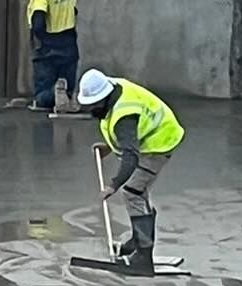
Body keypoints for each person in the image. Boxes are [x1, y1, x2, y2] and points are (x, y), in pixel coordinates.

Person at [76, 70, 185, 275]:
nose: (91, 109)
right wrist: (110, 146)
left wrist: (113, 185)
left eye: (94, 105)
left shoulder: (124, 115)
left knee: (133, 192)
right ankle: (139, 241)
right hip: (148, 139)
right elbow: (126, 139)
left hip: (160, 142)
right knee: (139, 193)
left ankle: (143, 255)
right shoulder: (112, 88)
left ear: (104, 98)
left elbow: (130, 155)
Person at [28, 0, 79, 112]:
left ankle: (54, 93)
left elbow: (38, 22)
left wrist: (40, 40)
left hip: (47, 46)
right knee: (67, 89)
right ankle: (68, 96)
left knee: (43, 95)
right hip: (68, 42)